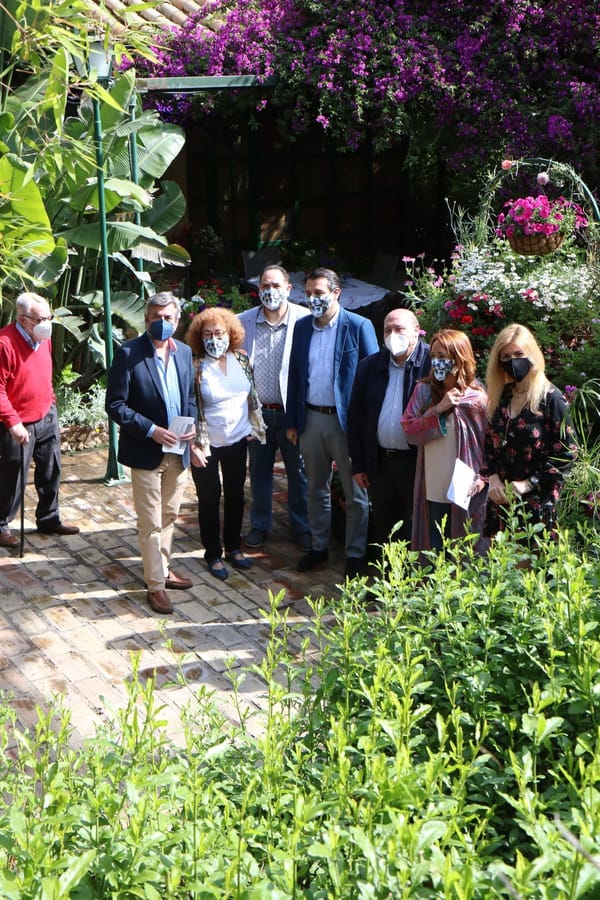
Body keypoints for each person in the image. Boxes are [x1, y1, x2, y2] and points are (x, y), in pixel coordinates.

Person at [105, 292, 197, 615]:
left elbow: (190, 397)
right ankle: (155, 586)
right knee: (150, 522)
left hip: (178, 451)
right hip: (146, 451)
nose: (162, 323)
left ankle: (163, 568)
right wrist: (151, 430)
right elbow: (115, 405)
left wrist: (192, 425)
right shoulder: (128, 353)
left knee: (170, 516)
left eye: (168, 318)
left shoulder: (184, 353)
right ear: (146, 320)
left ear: (178, 320)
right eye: (156, 317)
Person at [285, 267, 378, 577]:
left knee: (356, 494)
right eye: (308, 294)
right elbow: (296, 376)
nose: (313, 299)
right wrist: (293, 421)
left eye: (319, 293)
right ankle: (319, 547)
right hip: (311, 418)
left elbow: (372, 378)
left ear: (336, 293)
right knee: (315, 489)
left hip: (345, 424)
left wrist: (366, 429)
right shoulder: (301, 328)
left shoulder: (359, 326)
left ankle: (354, 555)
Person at [186, 307, 266, 581]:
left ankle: (233, 547)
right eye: (207, 334)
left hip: (237, 440)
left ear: (230, 333)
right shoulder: (195, 366)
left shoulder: (241, 359)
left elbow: (251, 395)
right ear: (199, 337)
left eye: (219, 333)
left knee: (235, 496)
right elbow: (187, 406)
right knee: (209, 499)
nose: (214, 339)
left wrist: (255, 425)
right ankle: (213, 553)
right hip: (205, 443)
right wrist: (191, 444)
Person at [237, 265, 311, 550]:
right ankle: (260, 524)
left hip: (291, 411)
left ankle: (301, 526)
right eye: (265, 286)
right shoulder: (242, 322)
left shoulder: (304, 320)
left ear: (289, 288)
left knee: (298, 473)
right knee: (259, 472)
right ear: (258, 291)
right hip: (258, 413)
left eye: (276, 285)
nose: (270, 291)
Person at [0, 292, 80, 548]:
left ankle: (48, 517)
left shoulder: (43, 338)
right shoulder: (5, 343)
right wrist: (13, 423)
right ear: (24, 320)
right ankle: (1, 525)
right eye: (41, 318)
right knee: (13, 477)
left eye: (49, 317)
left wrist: (51, 402)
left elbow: (46, 371)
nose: (47, 322)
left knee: (51, 470)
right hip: (18, 423)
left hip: (46, 415)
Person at [482, 322, 576, 538]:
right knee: (499, 569)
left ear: (532, 354)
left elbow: (568, 454)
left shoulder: (551, 399)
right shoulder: (502, 396)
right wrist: (493, 478)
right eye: (505, 357)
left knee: (526, 570)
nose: (512, 361)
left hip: (536, 503)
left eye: (518, 353)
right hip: (502, 501)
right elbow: (490, 442)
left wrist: (529, 483)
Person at [347, 307, 430, 552]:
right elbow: (356, 417)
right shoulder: (369, 366)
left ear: (416, 331)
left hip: (417, 463)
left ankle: (415, 586)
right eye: (387, 330)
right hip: (381, 463)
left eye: (399, 329)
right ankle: (387, 583)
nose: (393, 335)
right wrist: (359, 464)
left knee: (417, 527)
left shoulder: (431, 364)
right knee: (384, 528)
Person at [401, 329, 488, 553]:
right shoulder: (423, 392)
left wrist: (484, 477)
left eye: (443, 357)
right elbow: (410, 430)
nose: (437, 362)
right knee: (435, 545)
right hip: (432, 485)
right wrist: (438, 409)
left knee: (463, 547)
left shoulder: (477, 399)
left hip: (464, 486)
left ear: (460, 358)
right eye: (434, 357)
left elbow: (489, 443)